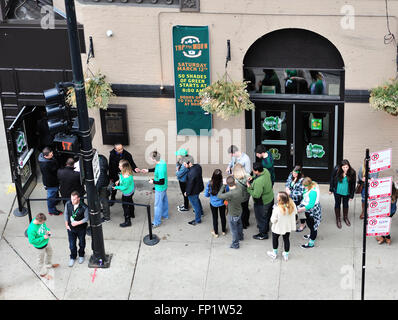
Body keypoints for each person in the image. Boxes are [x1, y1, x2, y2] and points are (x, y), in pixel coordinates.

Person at [27, 213, 59, 280]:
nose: (43, 223)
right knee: (40, 261)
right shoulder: (31, 229)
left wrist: (47, 231)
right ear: (38, 221)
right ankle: (42, 273)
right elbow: (32, 241)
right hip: (40, 247)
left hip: (46, 242)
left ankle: (48, 265)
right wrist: (43, 237)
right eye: (43, 222)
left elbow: (44, 227)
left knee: (50, 253)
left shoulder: (41, 222)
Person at [267, 191, 297, 261]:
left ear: (280, 199)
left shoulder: (277, 209)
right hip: (287, 226)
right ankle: (286, 255)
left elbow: (273, 220)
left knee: (275, 239)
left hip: (278, 227)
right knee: (286, 239)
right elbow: (295, 212)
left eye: (278, 196)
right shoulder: (292, 204)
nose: (276, 197)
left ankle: (274, 253)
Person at [247, 162, 274, 240]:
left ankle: (263, 234)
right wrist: (253, 177)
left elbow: (256, 195)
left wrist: (249, 187)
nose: (252, 170)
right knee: (267, 215)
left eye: (254, 170)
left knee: (261, 218)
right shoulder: (265, 170)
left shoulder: (259, 181)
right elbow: (258, 177)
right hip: (270, 198)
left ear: (257, 171)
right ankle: (266, 228)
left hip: (262, 202)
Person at [142, 151, 169, 228]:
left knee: (157, 205)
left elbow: (161, 181)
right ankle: (165, 215)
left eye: (151, 157)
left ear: (154, 159)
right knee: (164, 201)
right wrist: (148, 170)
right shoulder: (162, 162)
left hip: (160, 188)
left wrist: (152, 181)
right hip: (164, 187)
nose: (150, 158)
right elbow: (156, 168)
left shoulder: (160, 168)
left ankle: (156, 222)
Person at [217, 176, 245, 249]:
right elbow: (236, 182)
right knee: (239, 224)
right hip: (239, 210)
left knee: (233, 230)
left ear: (228, 184)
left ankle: (235, 244)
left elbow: (219, 196)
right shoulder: (239, 187)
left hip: (233, 214)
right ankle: (241, 237)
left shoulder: (230, 194)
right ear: (234, 182)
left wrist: (223, 185)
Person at [329, 159, 356, 228]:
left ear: (349, 166)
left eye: (346, 167)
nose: (345, 169)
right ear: (341, 167)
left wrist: (351, 195)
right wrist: (331, 189)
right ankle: (338, 219)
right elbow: (332, 179)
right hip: (337, 191)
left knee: (345, 204)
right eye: (343, 167)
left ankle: (345, 217)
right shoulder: (336, 170)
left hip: (346, 192)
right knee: (337, 204)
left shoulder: (352, 172)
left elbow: (353, 184)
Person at [297, 177, 322, 249]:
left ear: (309, 185)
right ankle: (312, 235)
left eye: (305, 186)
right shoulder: (313, 183)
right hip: (311, 208)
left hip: (312, 211)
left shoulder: (312, 192)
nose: (303, 187)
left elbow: (311, 205)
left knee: (312, 226)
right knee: (312, 226)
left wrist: (300, 209)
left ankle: (311, 243)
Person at [38, 147, 62, 216]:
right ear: (45, 156)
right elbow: (54, 172)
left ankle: (56, 200)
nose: (52, 155)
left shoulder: (45, 159)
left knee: (54, 193)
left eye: (52, 153)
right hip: (51, 183)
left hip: (53, 181)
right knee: (51, 197)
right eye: (51, 155)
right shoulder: (46, 165)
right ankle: (51, 210)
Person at [204, 169, 227, 238]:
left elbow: (206, 195)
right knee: (223, 216)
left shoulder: (210, 183)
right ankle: (223, 231)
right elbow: (227, 192)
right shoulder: (223, 184)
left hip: (213, 203)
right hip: (222, 203)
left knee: (215, 217)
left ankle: (216, 232)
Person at [113, 159, 135, 227]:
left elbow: (124, 187)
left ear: (124, 167)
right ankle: (132, 214)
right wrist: (118, 181)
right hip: (131, 190)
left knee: (125, 206)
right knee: (130, 202)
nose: (118, 166)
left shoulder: (127, 177)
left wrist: (116, 187)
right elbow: (121, 177)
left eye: (120, 166)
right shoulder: (126, 171)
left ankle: (127, 221)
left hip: (127, 193)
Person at [183, 156, 204, 226]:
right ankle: (201, 212)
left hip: (193, 192)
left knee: (195, 205)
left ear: (190, 163)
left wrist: (187, 193)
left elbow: (190, 184)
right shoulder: (198, 166)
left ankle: (198, 219)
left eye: (185, 164)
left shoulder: (191, 173)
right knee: (197, 200)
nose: (184, 165)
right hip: (199, 188)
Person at [285, 165, 306, 232]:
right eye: (293, 172)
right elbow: (288, 181)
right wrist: (287, 187)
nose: (293, 174)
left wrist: (290, 193)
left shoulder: (302, 180)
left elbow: (301, 193)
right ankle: (295, 220)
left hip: (299, 200)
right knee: (293, 210)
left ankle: (303, 224)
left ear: (299, 173)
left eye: (295, 173)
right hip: (291, 199)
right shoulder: (291, 175)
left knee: (300, 212)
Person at [233, 164, 251, 229]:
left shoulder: (235, 180)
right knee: (246, 208)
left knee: (241, 211)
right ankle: (246, 222)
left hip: (239, 197)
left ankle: (242, 224)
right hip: (247, 196)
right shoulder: (247, 176)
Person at [96, 153, 111, 222]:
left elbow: (101, 178)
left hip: (100, 184)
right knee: (105, 199)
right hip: (105, 181)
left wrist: (95, 189)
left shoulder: (97, 165)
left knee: (103, 200)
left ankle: (106, 217)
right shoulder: (102, 157)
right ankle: (106, 215)